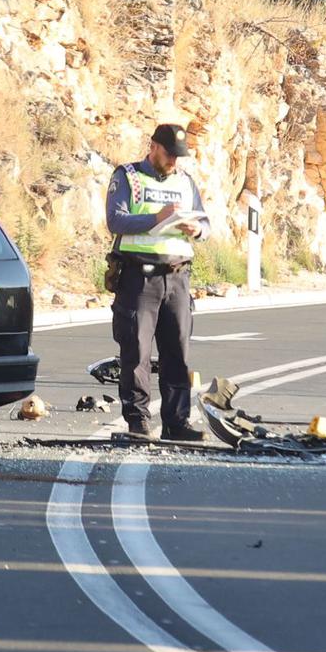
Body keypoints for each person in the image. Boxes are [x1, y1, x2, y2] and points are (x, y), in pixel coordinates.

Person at [105, 123, 210, 441]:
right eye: (168, 155)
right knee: (135, 352)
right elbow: (116, 219)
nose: (173, 162)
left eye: (178, 157)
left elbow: (205, 220)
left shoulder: (185, 181)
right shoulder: (127, 177)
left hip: (177, 278)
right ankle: (138, 421)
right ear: (153, 147)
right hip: (139, 278)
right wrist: (158, 218)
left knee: (177, 351)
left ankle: (177, 422)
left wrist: (198, 229)